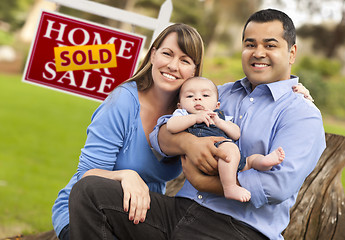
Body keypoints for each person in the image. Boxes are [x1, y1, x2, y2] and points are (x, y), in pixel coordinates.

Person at [68, 10, 322, 240]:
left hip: (238, 229)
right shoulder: (218, 93)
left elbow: (277, 186)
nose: (258, 52)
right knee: (90, 192)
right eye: (250, 44)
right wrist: (188, 143)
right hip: (179, 212)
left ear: (292, 52)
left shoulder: (302, 114)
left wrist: (204, 182)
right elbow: (160, 134)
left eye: (270, 45)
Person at [51, 23, 205, 240]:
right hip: (85, 211)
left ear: (195, 71)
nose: (173, 65)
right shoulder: (122, 101)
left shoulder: (189, 116)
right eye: (167, 54)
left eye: (185, 60)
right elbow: (87, 175)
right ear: (153, 54)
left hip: (139, 217)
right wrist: (126, 175)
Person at [167, 76, 285, 202]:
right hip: (210, 155)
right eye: (190, 96)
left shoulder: (218, 116)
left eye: (205, 95)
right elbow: (171, 126)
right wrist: (195, 118)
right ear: (179, 105)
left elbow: (236, 133)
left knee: (249, 160)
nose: (198, 98)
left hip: (229, 160)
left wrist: (219, 122)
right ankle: (230, 187)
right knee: (229, 148)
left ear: (217, 105)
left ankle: (263, 162)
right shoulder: (183, 114)